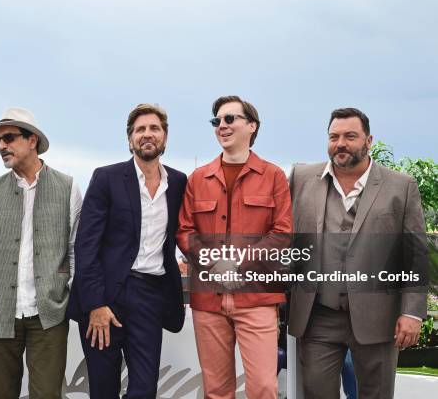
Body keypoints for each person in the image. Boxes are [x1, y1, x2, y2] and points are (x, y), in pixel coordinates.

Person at [288, 107, 427, 398]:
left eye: (350, 136)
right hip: (318, 316)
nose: (340, 143)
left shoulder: (400, 186)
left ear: (368, 140)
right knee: (316, 393)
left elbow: (415, 254)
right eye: (334, 136)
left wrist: (412, 312)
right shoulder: (301, 178)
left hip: (380, 318)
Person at [67, 103, 187, 398]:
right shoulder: (106, 178)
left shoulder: (179, 182)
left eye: (154, 128)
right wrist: (95, 304)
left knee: (144, 390)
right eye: (140, 129)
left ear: (165, 137)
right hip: (105, 296)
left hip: (150, 296)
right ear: (130, 139)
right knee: (104, 389)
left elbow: (187, 234)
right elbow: (86, 245)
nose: (147, 134)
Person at [177, 95, 292, 398]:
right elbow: (185, 232)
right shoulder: (198, 179)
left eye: (230, 119)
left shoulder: (274, 176)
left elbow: (282, 234)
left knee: (264, 387)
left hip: (257, 298)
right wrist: (217, 262)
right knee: (216, 390)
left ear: (252, 126)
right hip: (209, 301)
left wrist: (238, 264)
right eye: (217, 121)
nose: (222, 126)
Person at [0, 107, 82, 399]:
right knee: (2, 394)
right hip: (0, 315)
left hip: (49, 314)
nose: (2, 145)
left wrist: (64, 293)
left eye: (9, 138)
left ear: (33, 141)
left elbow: (76, 250)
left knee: (47, 395)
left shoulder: (67, 187)